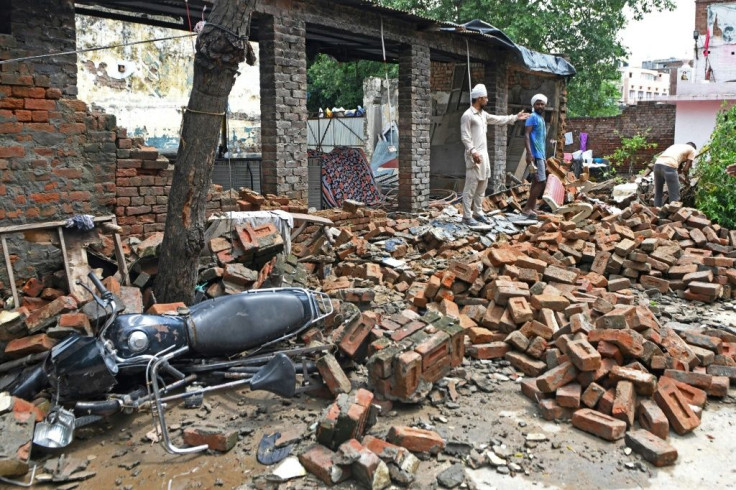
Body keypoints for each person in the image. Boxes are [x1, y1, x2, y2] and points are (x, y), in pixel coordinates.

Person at [460, 84, 529, 226]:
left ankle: (477, 212)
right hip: (474, 156)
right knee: (471, 187)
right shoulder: (467, 115)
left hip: (484, 156)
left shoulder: (483, 115)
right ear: (479, 99)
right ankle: (466, 216)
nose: (487, 100)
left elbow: (498, 119)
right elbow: (465, 137)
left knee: (482, 186)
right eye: (485, 98)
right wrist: (473, 151)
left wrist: (515, 117)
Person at [521, 93, 548, 219]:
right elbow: (526, 135)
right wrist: (529, 153)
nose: (540, 106)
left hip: (540, 155)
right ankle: (527, 208)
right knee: (541, 182)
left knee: (537, 181)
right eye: (538, 104)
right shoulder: (532, 117)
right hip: (535, 155)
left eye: (542, 104)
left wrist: (544, 157)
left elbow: (542, 140)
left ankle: (531, 208)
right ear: (533, 105)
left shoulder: (541, 119)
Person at [653, 142, 697, 207]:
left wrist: (682, 180)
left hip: (657, 165)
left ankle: (656, 213)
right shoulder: (692, 150)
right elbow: (685, 169)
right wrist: (687, 179)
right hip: (669, 165)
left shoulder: (677, 146)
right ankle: (674, 215)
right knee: (674, 195)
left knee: (658, 193)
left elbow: (678, 171)